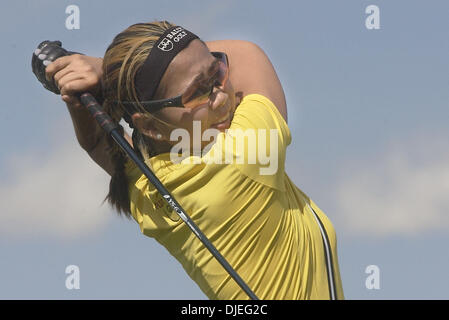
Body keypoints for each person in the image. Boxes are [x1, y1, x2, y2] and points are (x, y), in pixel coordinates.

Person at [45, 20, 344, 300]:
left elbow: (98, 141)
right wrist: (103, 69)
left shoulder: (151, 183)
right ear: (148, 126)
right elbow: (249, 55)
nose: (222, 97)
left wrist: (92, 92)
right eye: (198, 92)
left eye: (217, 75)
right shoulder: (243, 155)